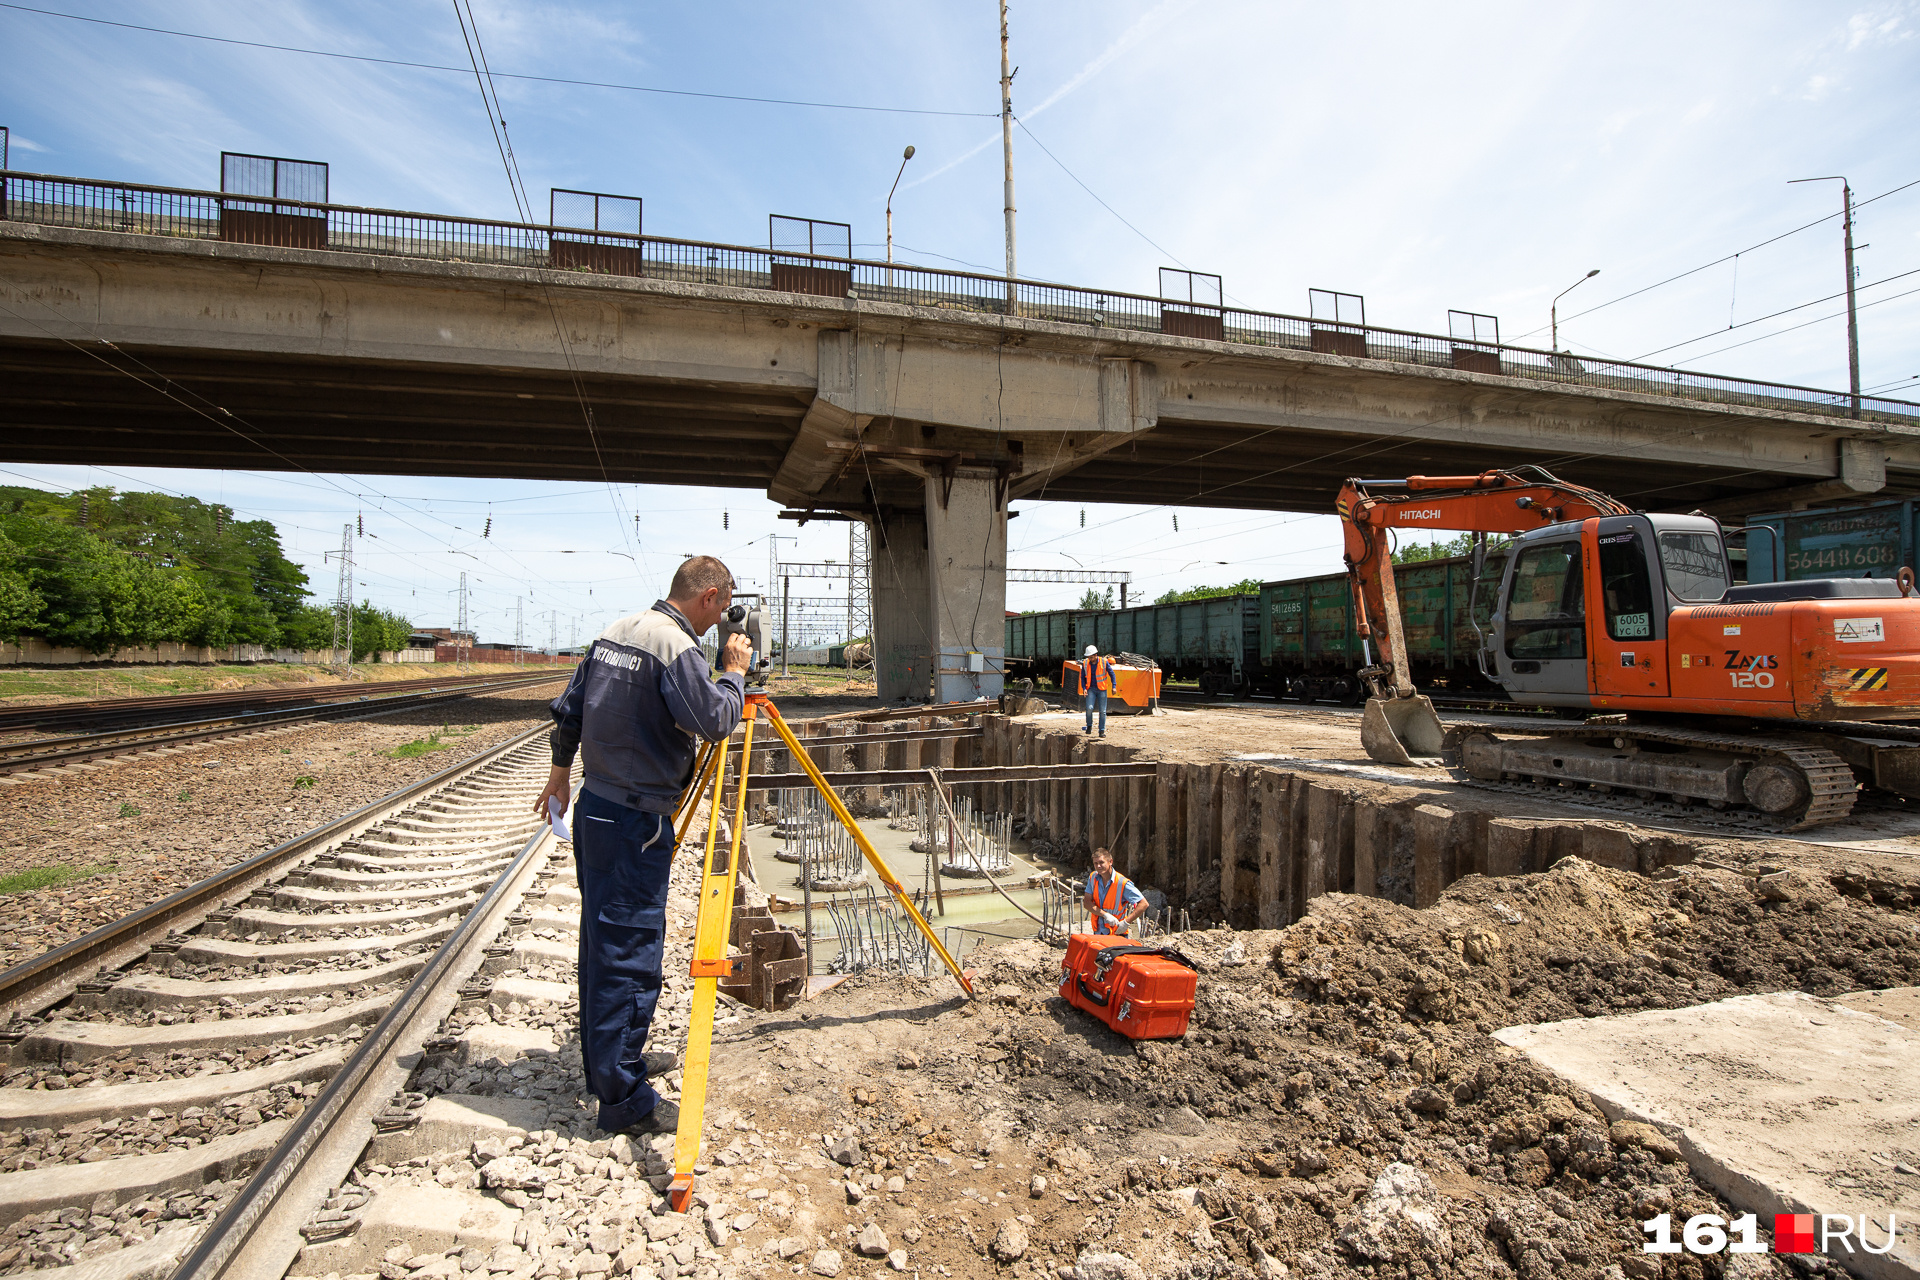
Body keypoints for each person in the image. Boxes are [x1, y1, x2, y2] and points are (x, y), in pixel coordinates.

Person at [535, 556, 753, 1137]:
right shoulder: (674, 646)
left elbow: (569, 711)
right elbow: (713, 720)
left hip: (598, 809)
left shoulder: (617, 630)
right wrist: (733, 672)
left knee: (602, 942)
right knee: (629, 952)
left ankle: (610, 1066)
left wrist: (560, 772)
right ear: (709, 597)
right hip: (635, 822)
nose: (723, 619)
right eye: (724, 605)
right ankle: (622, 1097)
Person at [1083, 847, 1147, 936]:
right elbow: (1087, 903)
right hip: (1098, 933)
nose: (1098, 866)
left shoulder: (1122, 883)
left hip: (1117, 933)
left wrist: (1126, 923)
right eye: (1095, 863)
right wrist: (1105, 915)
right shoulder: (1093, 877)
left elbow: (1144, 904)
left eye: (1101, 862)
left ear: (1110, 862)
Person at [1081, 644, 1116, 737]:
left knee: (1103, 711)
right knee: (1089, 708)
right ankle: (1089, 726)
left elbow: (1112, 674)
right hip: (1091, 689)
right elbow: (1082, 678)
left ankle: (1101, 731)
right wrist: (1084, 688)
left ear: (1096, 655)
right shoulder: (1085, 663)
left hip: (1102, 689)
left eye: (1092, 657)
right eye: (1089, 657)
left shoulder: (1104, 662)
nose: (1090, 659)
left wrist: (1114, 686)